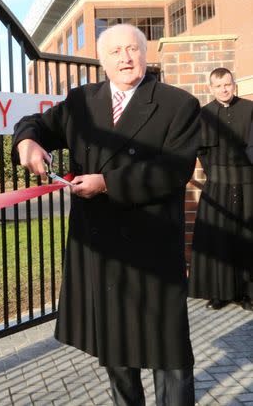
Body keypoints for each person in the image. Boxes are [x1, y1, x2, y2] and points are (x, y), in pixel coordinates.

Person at [13, 23, 200, 406]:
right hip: (99, 247)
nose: (125, 57)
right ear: (101, 60)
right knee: (114, 347)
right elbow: (36, 124)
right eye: (115, 52)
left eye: (132, 49)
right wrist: (28, 143)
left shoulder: (177, 104)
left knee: (170, 354)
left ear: (146, 55)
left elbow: (174, 170)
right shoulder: (83, 101)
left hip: (152, 248)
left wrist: (108, 183)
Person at [188, 68, 253, 311]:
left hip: (248, 183)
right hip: (218, 185)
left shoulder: (250, 110)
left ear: (234, 84)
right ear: (211, 88)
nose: (224, 89)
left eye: (227, 84)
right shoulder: (204, 115)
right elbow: (201, 152)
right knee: (218, 238)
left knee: (247, 237)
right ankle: (220, 293)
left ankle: (248, 293)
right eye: (218, 86)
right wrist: (216, 174)